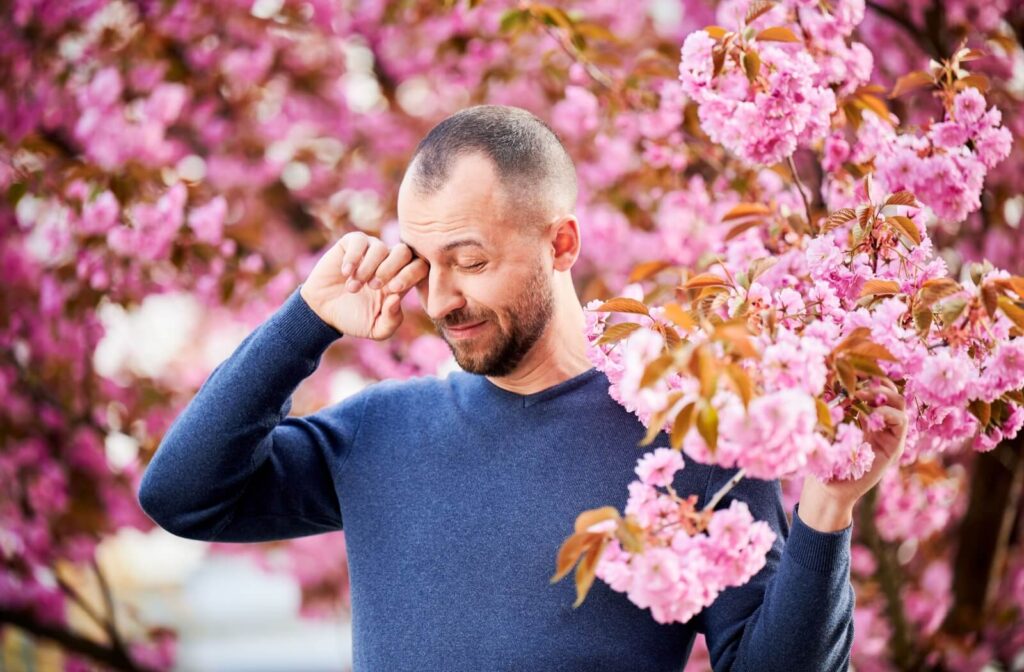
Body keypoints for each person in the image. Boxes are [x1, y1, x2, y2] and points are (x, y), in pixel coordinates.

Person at [138, 104, 907, 671]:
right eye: (424, 262)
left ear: (560, 242)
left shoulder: (690, 436)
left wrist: (828, 510)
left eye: (468, 261)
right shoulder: (377, 436)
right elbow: (184, 496)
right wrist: (304, 320)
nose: (439, 299)